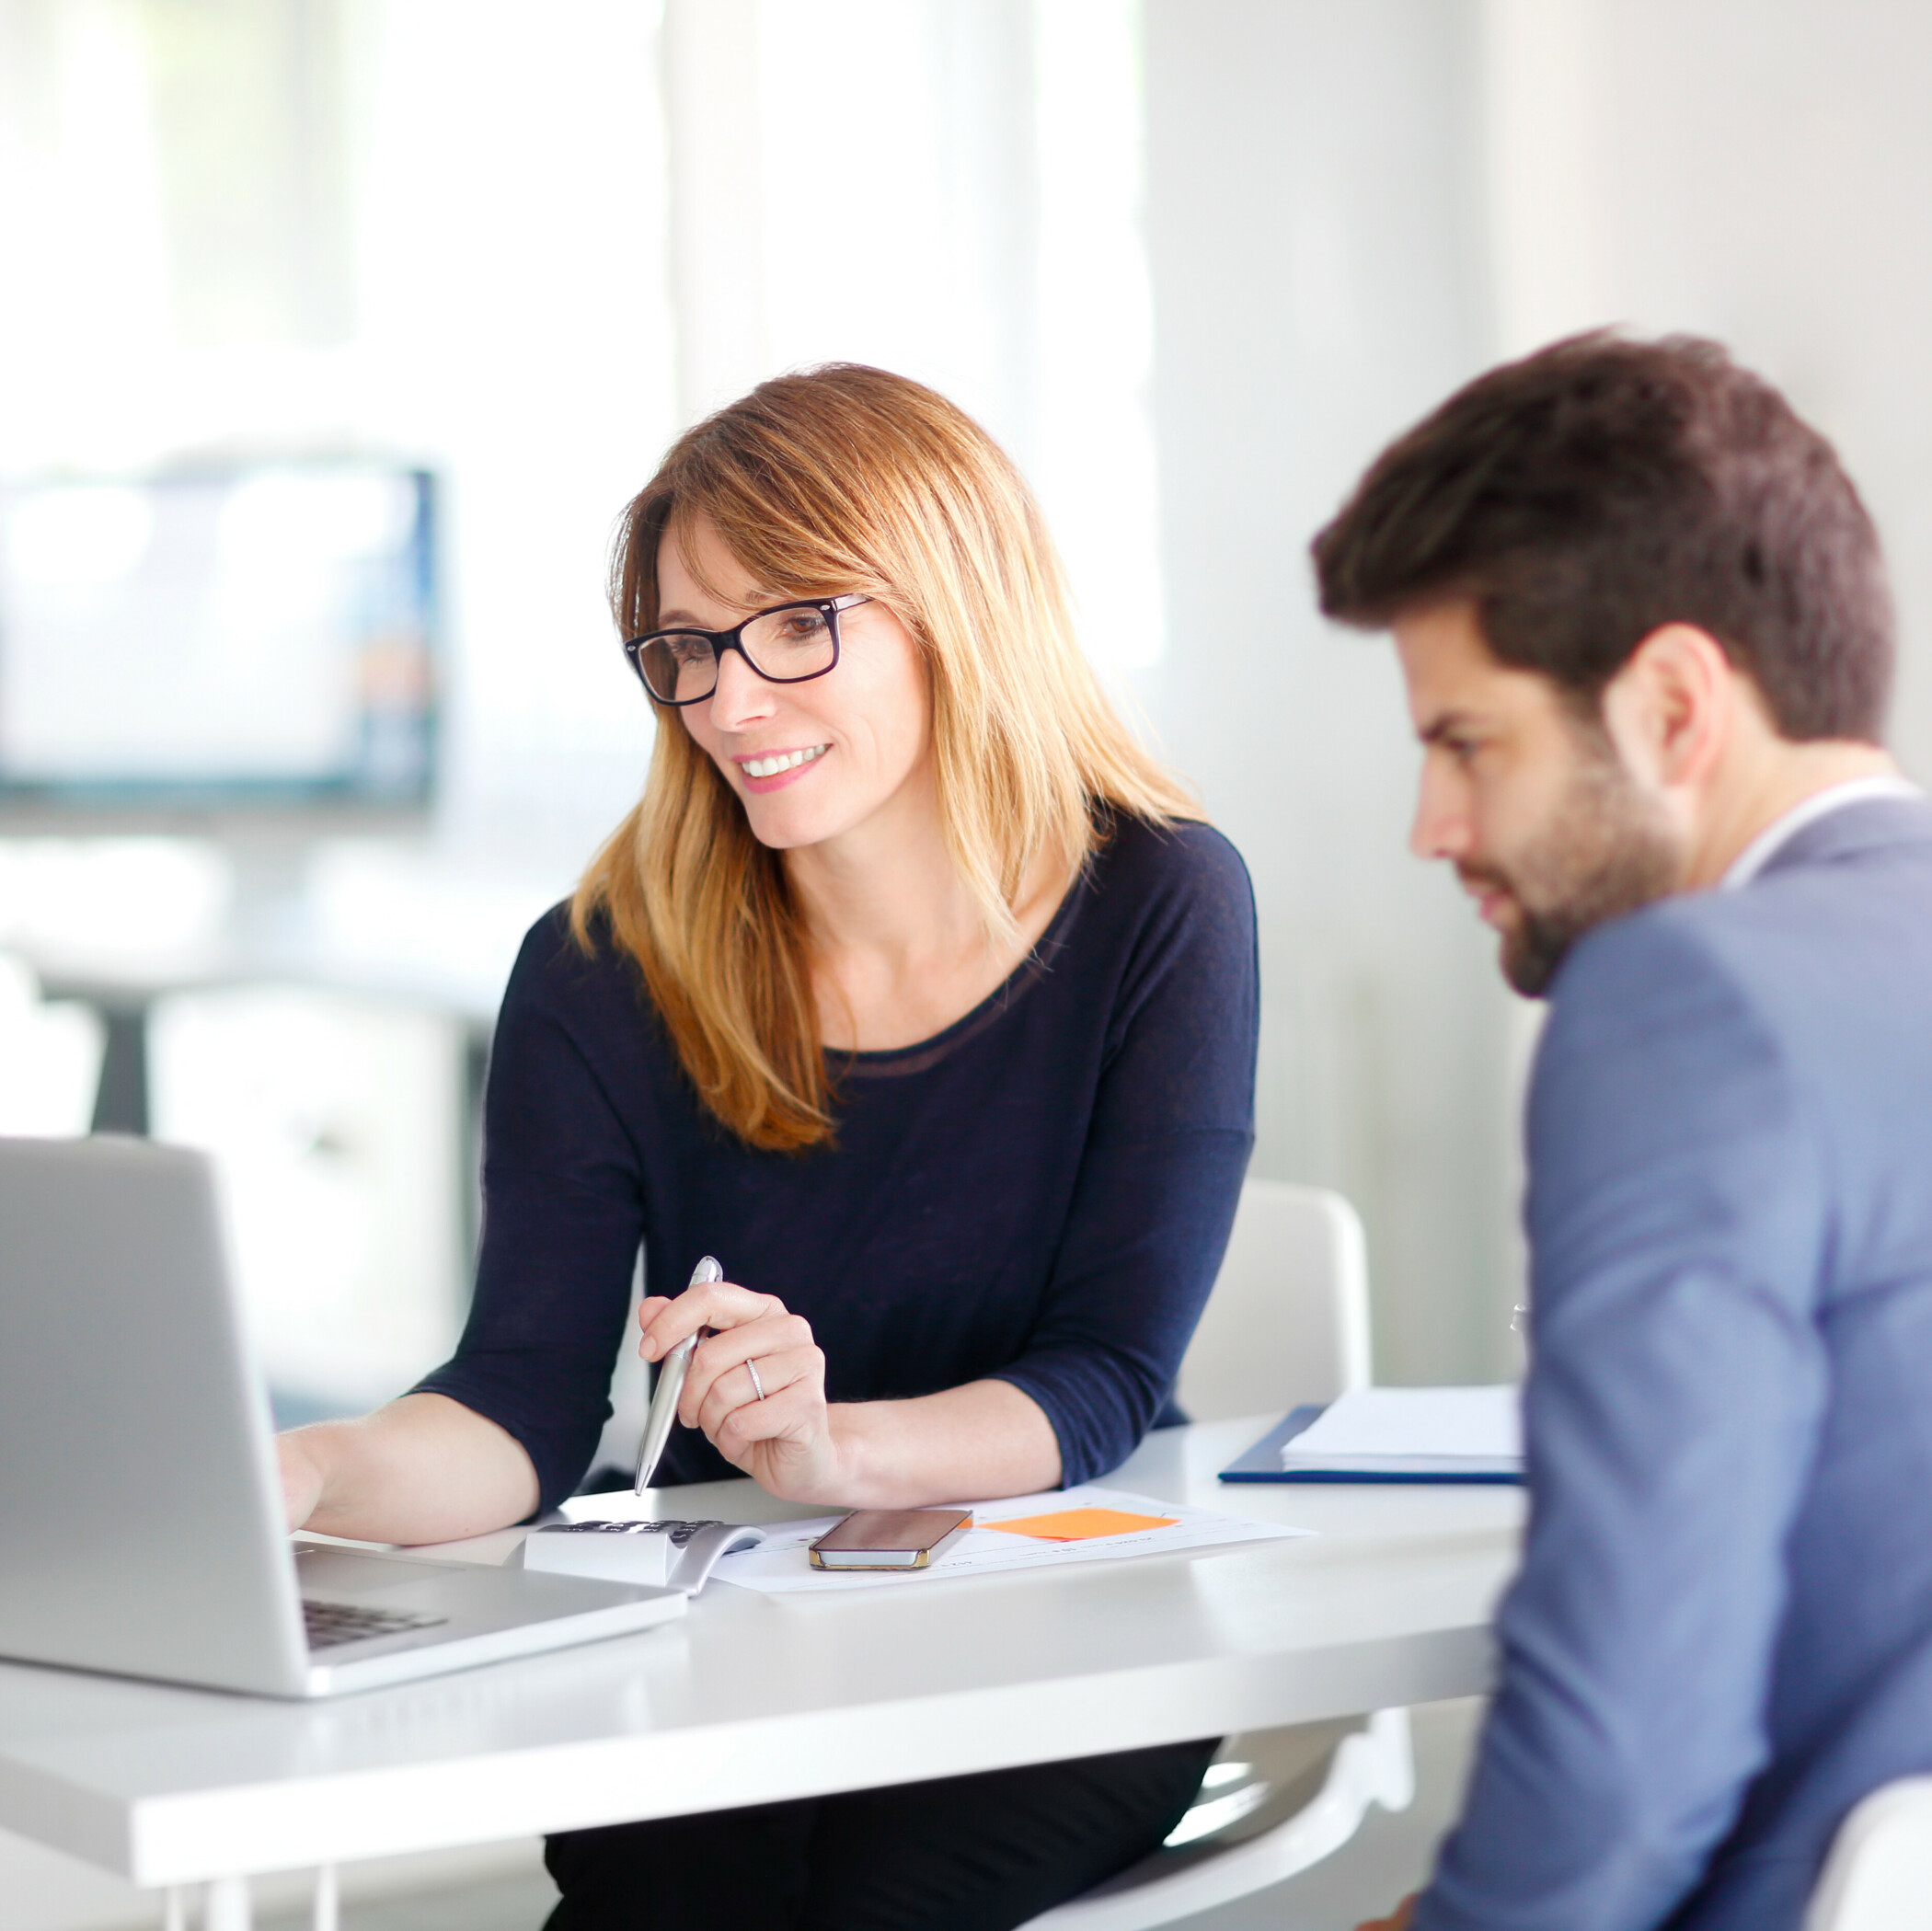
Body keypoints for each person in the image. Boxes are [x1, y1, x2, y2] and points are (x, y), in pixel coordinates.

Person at [278, 363, 1258, 1930]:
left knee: (878, 1901)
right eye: (685, 648)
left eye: (796, 626)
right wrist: (306, 1467)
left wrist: (831, 1448)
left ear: (955, 603)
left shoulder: (1158, 902)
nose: (730, 701)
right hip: (713, 1635)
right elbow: (520, 1406)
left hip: (1061, 1627)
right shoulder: (601, 965)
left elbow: (1103, 1377)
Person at [1311, 333, 1932, 1931]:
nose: (1432, 830)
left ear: (1671, 705)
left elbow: (1626, 1759)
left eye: (1467, 744)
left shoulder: (1690, 998)